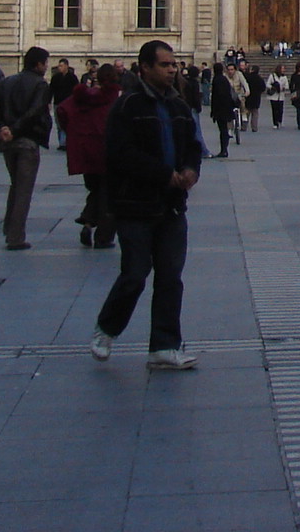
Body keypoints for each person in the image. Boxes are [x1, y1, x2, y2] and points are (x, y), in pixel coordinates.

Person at [91, 40, 202, 370]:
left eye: (174, 65)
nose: (172, 70)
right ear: (145, 68)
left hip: (170, 206)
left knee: (170, 276)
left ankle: (165, 346)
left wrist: (190, 171)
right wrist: (163, 175)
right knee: (135, 274)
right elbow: (120, 154)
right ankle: (107, 327)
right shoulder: (128, 106)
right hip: (135, 204)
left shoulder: (179, 106)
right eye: (165, 65)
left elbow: (193, 146)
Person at [0, 46, 54, 251]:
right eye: (45, 63)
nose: (46, 67)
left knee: (15, 185)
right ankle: (15, 236)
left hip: (8, 141)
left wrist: (2, 127)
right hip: (26, 140)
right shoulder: (40, 85)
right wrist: (15, 130)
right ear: (38, 64)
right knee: (23, 190)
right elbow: (34, 112)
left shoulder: (7, 81)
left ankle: (9, 229)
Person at [64, 64, 121, 248]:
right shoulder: (115, 99)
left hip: (87, 154)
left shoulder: (84, 97)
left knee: (96, 191)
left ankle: (88, 224)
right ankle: (103, 237)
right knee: (110, 195)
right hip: (108, 153)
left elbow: (63, 111)